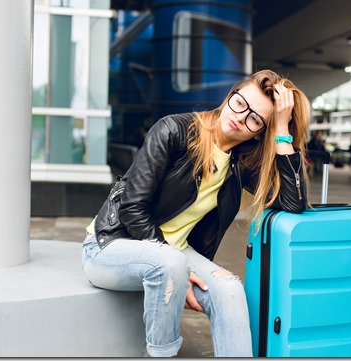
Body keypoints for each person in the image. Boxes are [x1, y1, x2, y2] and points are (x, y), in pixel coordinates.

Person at [81, 70, 311, 357]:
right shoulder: (174, 131)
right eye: (240, 103)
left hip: (173, 253)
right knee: (169, 263)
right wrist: (178, 269)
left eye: (255, 119)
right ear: (230, 95)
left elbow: (292, 202)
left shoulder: (239, 161)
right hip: (109, 245)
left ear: (259, 132)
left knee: (229, 290)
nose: (240, 117)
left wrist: (281, 130)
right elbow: (132, 206)